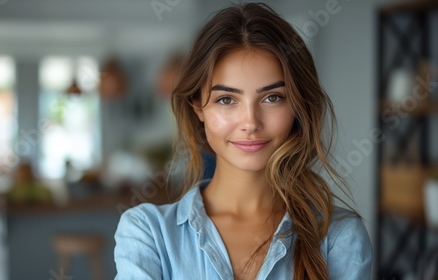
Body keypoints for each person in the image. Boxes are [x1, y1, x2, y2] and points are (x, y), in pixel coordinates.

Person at [114, 3, 373, 279]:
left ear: (297, 106)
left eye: (272, 98)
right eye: (226, 99)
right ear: (198, 107)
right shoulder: (148, 233)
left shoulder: (339, 237)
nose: (250, 122)